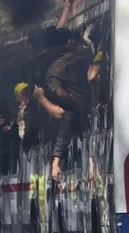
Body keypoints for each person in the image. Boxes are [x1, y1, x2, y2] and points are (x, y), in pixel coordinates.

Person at [33, 26, 92, 181]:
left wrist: (41, 98)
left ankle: (58, 162)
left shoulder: (53, 71)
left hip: (79, 113)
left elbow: (62, 100)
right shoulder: (84, 55)